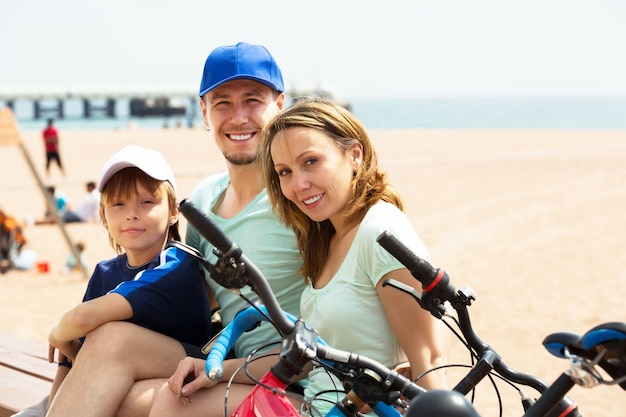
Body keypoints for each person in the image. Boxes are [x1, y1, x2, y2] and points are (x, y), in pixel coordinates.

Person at [45, 42, 305, 417]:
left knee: (118, 395)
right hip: (225, 359)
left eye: (252, 100)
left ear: (279, 105)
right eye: (223, 104)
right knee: (110, 351)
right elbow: (201, 294)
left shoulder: (298, 197)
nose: (239, 116)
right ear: (203, 112)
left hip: (287, 371)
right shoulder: (204, 199)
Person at [257, 98, 448, 415]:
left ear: (354, 155)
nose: (298, 184)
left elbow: (428, 357)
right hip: (314, 406)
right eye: (285, 172)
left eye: (311, 161)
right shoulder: (327, 238)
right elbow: (314, 355)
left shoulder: (380, 232)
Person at [42, 145, 214, 417]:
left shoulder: (176, 266)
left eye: (147, 202)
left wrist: (56, 334)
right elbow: (72, 362)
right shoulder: (105, 272)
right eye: (118, 204)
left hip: (191, 373)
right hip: (126, 378)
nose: (131, 213)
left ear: (173, 212)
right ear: (103, 215)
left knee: (111, 338)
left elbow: (80, 320)